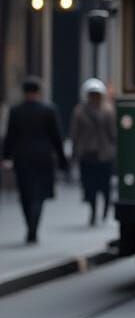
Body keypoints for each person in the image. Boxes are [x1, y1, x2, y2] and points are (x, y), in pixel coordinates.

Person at [1, 77, 69, 244]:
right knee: (38, 194)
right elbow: (56, 137)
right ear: (38, 92)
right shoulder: (49, 110)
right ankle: (33, 228)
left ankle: (29, 226)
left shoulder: (16, 111)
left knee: (25, 194)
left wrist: (6, 156)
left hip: (22, 157)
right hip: (42, 157)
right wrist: (62, 159)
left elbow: (10, 136)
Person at [70, 78, 117, 226]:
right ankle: (93, 210)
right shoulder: (79, 111)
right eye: (92, 94)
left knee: (104, 184)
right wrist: (75, 151)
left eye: (96, 94)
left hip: (104, 153)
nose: (94, 97)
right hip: (87, 153)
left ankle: (104, 209)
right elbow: (75, 133)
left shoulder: (108, 110)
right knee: (89, 185)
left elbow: (113, 132)